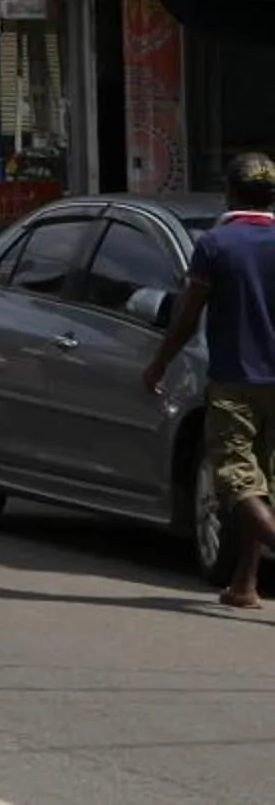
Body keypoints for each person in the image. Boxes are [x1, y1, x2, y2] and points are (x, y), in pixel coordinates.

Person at [142, 150, 275, 607]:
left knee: (236, 480)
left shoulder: (216, 245)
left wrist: (159, 362)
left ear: (231, 193)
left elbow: (186, 316)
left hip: (235, 380)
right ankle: (245, 582)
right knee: (263, 482)